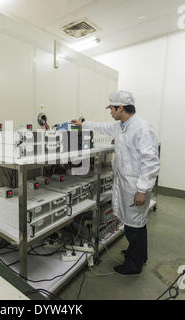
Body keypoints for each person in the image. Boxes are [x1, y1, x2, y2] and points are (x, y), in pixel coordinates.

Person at [72, 90, 160, 276]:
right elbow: (102, 127)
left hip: (135, 186)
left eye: (111, 108)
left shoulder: (142, 128)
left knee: (134, 226)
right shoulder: (121, 126)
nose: (110, 112)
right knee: (133, 224)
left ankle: (133, 265)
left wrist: (142, 190)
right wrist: (83, 123)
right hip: (125, 184)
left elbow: (151, 162)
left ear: (121, 107)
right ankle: (139, 254)